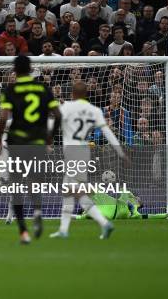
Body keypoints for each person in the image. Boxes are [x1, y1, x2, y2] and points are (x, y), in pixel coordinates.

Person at [49, 81, 127, 240]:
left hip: (72, 152)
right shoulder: (94, 110)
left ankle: (104, 223)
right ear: (86, 94)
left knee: (74, 192)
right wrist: (121, 152)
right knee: (68, 191)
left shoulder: (67, 107)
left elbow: (54, 120)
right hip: (84, 152)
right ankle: (64, 230)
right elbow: (107, 132)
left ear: (72, 94)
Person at [0, 55, 60, 244]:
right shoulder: (43, 88)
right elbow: (58, 115)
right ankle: (38, 212)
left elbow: (2, 117)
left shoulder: (10, 90)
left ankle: (23, 231)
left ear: (15, 70)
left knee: (16, 183)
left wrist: (0, 137)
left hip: (17, 141)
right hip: (38, 142)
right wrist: (50, 137)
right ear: (31, 68)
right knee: (34, 180)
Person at [76, 191, 168, 220]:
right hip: (112, 211)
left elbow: (151, 216)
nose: (139, 198)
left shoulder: (136, 213)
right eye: (139, 198)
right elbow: (124, 192)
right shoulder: (128, 196)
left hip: (112, 208)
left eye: (139, 200)